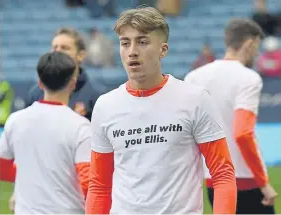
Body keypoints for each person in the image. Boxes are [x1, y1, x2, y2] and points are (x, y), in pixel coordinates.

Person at [85, 6, 237, 214]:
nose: (132, 51)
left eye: (142, 42)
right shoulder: (105, 105)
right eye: (125, 43)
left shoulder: (194, 99)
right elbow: (99, 186)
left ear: (163, 50)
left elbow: (222, 174)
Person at [184, 18, 278, 214]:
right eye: (257, 47)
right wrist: (263, 182)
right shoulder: (249, 78)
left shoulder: (194, 77)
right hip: (246, 181)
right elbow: (243, 133)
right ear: (250, 43)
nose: (257, 53)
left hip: (213, 181)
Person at [0, 52, 91, 214]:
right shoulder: (81, 127)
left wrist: (32, 174)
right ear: (73, 83)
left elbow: (2, 168)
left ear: (40, 83)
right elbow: (88, 182)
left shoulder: (15, 120)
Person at [26, 27, 98, 121]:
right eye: (55, 47)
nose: (58, 51)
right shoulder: (35, 93)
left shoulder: (96, 96)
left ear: (81, 55)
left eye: (65, 48)